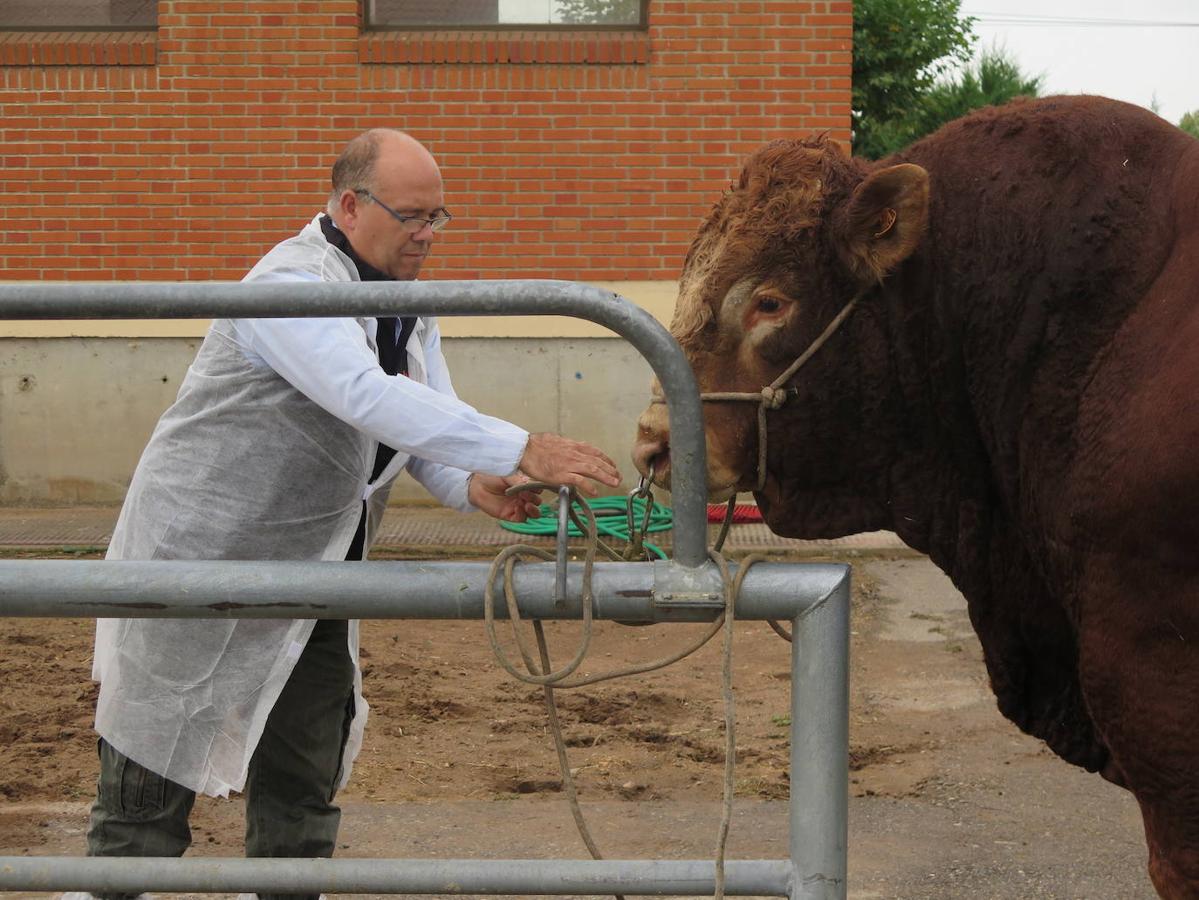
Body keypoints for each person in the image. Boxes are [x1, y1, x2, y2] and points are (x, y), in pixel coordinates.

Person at [77, 129, 621, 900]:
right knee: (154, 757)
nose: (428, 236)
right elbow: (362, 396)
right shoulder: (290, 286)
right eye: (413, 217)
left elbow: (419, 406)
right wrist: (523, 446)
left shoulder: (400, 298)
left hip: (315, 567)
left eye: (440, 217)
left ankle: (287, 889)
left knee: (305, 755)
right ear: (349, 205)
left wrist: (472, 480)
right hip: (200, 559)